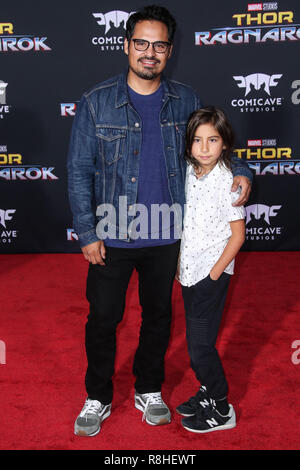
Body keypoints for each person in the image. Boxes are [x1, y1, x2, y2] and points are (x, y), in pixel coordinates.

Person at [67, 5, 252, 437]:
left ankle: (148, 387)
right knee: (103, 317)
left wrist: (240, 170)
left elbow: (216, 143)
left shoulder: (185, 99)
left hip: (169, 232)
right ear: (127, 45)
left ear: (169, 51)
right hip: (112, 231)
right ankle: (97, 395)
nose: (150, 52)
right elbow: (78, 171)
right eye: (142, 43)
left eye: (160, 45)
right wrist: (87, 231)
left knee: (157, 317)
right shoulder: (96, 102)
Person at [176, 107, 246, 433]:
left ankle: (221, 407)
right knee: (198, 341)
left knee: (199, 348)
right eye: (197, 140)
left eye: (213, 140)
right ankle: (206, 392)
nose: (204, 148)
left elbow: (238, 235)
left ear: (224, 142)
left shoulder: (227, 182)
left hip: (209, 275)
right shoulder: (190, 172)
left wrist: (215, 273)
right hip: (188, 272)